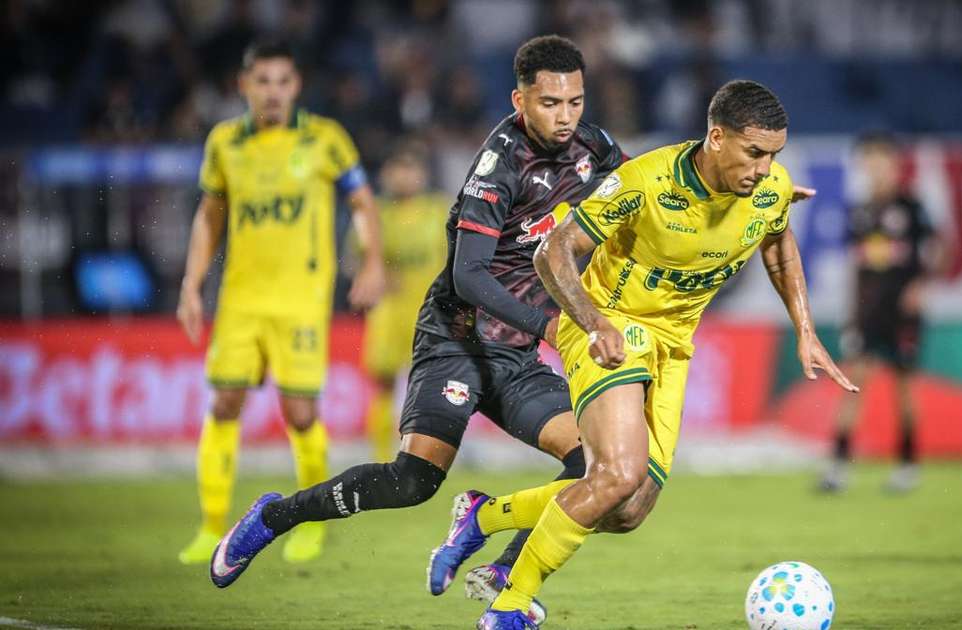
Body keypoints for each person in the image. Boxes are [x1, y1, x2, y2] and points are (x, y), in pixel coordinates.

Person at [208, 36, 625, 627]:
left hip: (515, 354)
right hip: (456, 340)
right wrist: (552, 323)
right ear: (520, 99)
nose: (565, 117)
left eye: (575, 102)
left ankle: (505, 570)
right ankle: (274, 517)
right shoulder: (499, 165)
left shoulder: (593, 146)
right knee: (412, 482)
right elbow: (470, 275)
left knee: (595, 465)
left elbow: (645, 194)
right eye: (551, 103)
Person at [424, 79, 858, 629]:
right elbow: (552, 251)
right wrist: (590, 321)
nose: (765, 168)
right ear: (716, 137)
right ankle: (509, 608)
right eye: (754, 153)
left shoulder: (770, 187)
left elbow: (777, 242)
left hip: (674, 347)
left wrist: (806, 329)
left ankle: (487, 516)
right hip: (611, 327)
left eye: (774, 155)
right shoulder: (644, 183)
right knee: (615, 475)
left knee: (627, 509)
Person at [175, 40, 386, 566]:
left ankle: (309, 523)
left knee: (299, 412)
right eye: (262, 81)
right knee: (224, 403)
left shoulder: (325, 139)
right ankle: (209, 527)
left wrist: (373, 259)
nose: (273, 92)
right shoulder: (225, 142)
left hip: (300, 302)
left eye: (283, 81)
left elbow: (361, 202)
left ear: (297, 86)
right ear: (244, 85)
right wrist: (191, 281)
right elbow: (210, 215)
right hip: (241, 298)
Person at [820, 132, 940, 495]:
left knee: (904, 388)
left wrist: (919, 286)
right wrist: (853, 309)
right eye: (868, 160)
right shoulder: (860, 212)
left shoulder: (911, 207)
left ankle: (907, 465)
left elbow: (936, 249)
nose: (874, 167)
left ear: (894, 165)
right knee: (853, 382)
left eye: (881, 159)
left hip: (901, 312)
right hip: (868, 312)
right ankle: (838, 466)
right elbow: (857, 266)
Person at [347, 141, 449, 464]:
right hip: (389, 313)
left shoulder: (439, 209)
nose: (404, 177)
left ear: (422, 174)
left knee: (435, 387)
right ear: (387, 175)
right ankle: (380, 458)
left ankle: (432, 456)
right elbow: (353, 261)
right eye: (398, 171)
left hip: (432, 313)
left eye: (410, 170)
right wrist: (371, 273)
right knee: (385, 385)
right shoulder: (375, 212)